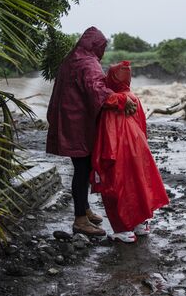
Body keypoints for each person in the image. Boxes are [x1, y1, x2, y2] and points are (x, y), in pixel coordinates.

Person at [46, 27, 137, 237]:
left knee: (82, 167)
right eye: (102, 47)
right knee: (82, 169)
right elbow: (97, 90)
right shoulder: (88, 62)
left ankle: (85, 209)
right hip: (78, 124)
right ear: (97, 45)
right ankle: (80, 220)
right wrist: (121, 100)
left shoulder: (72, 59)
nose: (102, 51)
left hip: (68, 121)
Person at [90, 61, 170, 243]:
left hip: (118, 151)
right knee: (139, 185)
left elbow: (107, 132)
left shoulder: (112, 103)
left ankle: (123, 230)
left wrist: (100, 160)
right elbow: (142, 125)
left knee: (117, 188)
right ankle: (140, 224)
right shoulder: (133, 97)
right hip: (138, 148)